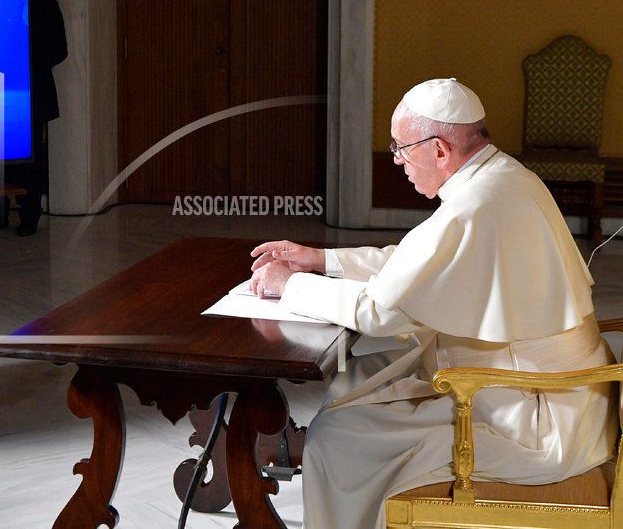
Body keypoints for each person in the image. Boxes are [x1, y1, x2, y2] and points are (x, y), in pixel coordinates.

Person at [249, 78, 616, 529]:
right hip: (548, 396)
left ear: (439, 149)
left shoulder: (476, 204)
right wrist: (321, 259)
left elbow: (379, 312)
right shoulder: (500, 177)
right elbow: (416, 261)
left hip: (534, 424)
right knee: (361, 376)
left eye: (401, 147)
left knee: (338, 435)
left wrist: (289, 286)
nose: (398, 160)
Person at [0, 0, 68, 235]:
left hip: (33, 94)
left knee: (30, 158)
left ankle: (29, 214)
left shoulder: (45, 5)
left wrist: (24, 63)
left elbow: (59, 50)